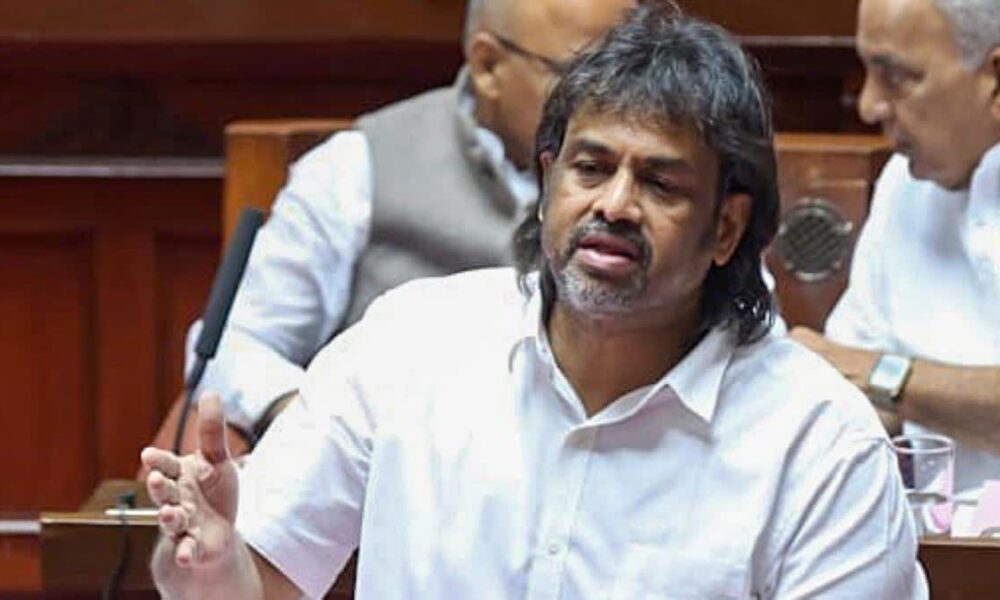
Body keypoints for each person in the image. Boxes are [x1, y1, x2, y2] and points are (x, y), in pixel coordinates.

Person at [141, 4, 925, 598]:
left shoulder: (820, 444)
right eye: (590, 168)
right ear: (547, 180)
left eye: (659, 183)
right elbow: (251, 586)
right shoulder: (409, 346)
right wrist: (209, 564)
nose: (614, 204)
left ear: (726, 228)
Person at [166, 0, 635, 450]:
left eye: (627, 71)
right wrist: (319, 426)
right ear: (488, 66)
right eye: (582, 76)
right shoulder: (360, 166)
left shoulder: (643, 194)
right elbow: (234, 344)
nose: (617, 101)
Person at [791, 0, 1000, 494]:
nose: (868, 106)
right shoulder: (904, 185)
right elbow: (850, 385)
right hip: (931, 531)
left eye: (897, 77)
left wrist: (885, 377)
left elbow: (861, 369)